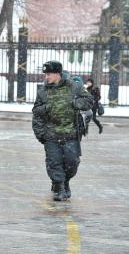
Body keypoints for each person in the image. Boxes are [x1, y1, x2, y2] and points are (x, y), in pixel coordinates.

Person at [32, 61, 93, 201]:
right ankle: (58, 187)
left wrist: (76, 103)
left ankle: (65, 182)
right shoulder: (43, 91)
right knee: (54, 162)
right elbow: (36, 112)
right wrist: (40, 133)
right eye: (45, 74)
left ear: (57, 74)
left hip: (71, 135)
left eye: (48, 74)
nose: (46, 77)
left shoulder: (74, 86)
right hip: (51, 135)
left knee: (72, 163)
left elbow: (89, 100)